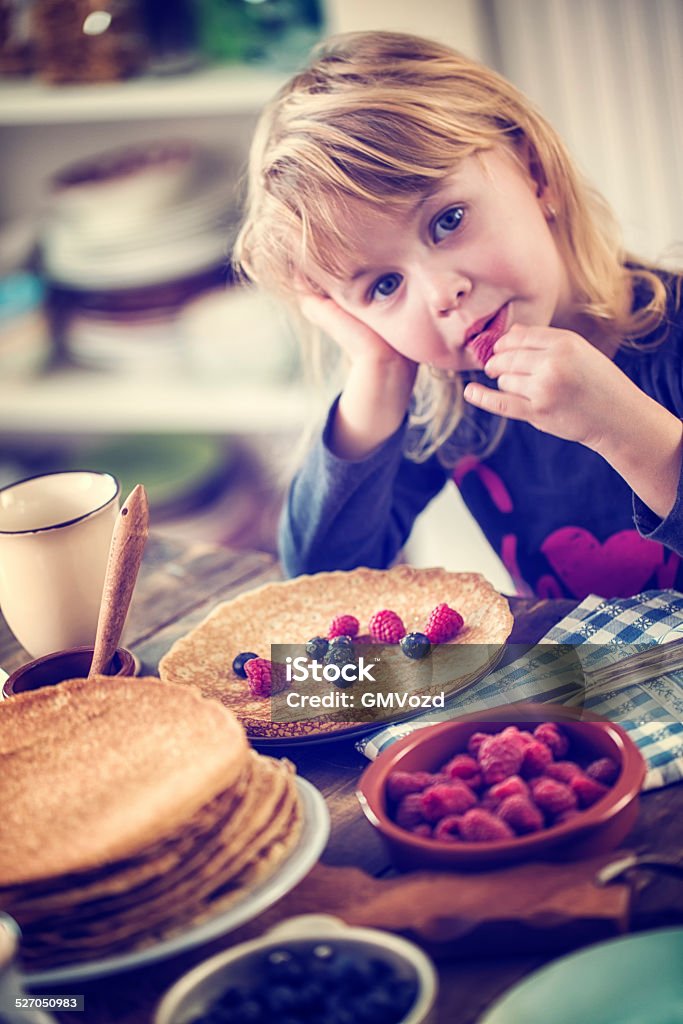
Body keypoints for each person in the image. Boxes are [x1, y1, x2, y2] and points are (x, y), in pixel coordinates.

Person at [234, 30, 683, 600]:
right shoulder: (447, 398)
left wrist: (626, 431)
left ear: (534, 171)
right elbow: (322, 584)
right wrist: (378, 369)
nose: (441, 294)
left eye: (447, 221)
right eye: (385, 285)